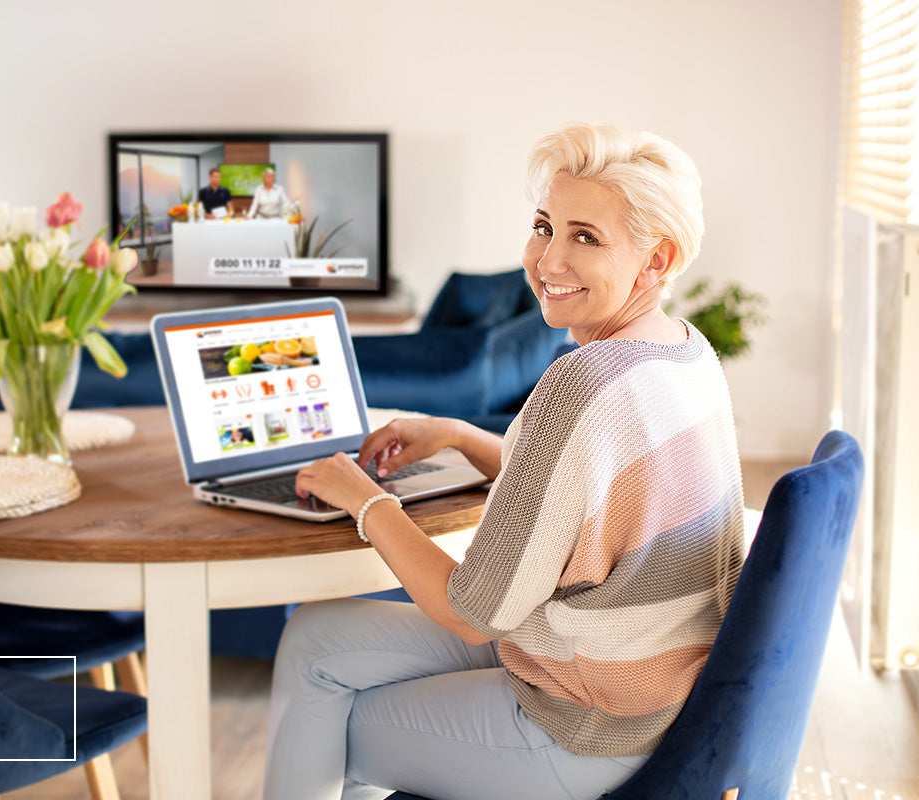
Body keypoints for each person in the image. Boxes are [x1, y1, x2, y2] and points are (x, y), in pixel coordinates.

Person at [262, 122, 746, 800]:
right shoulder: (683, 352)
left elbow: (469, 611)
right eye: (545, 225)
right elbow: (587, 492)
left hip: (587, 724)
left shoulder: (585, 382)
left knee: (323, 716)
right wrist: (461, 435)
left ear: (657, 259)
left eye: (586, 237)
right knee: (317, 634)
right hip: (634, 676)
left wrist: (364, 499)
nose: (547, 260)